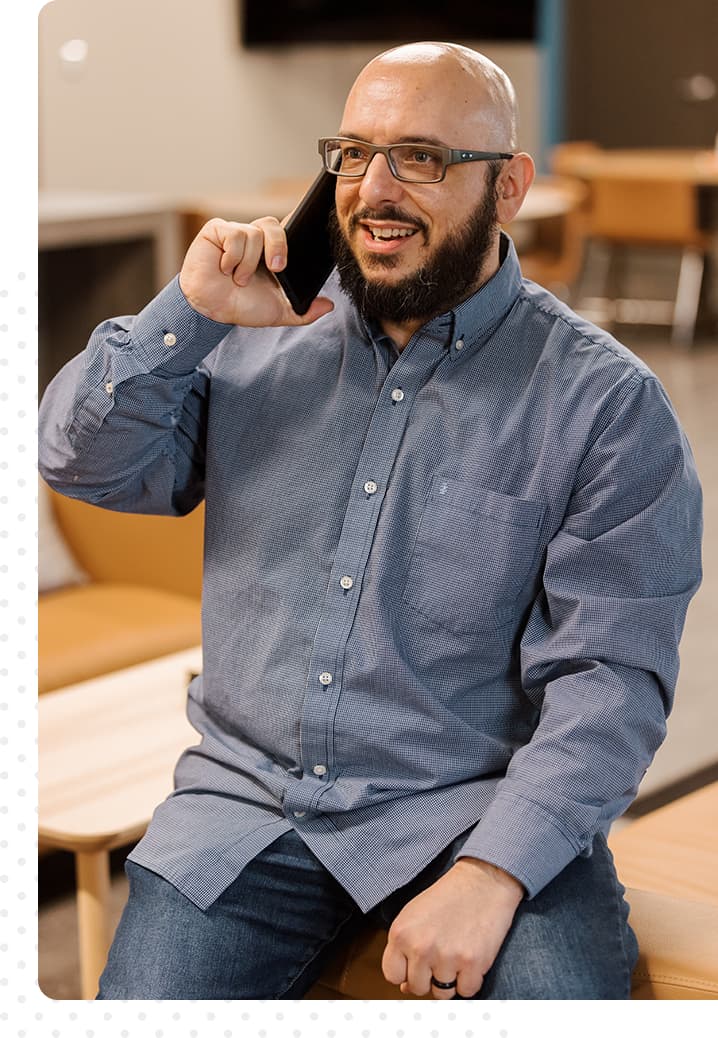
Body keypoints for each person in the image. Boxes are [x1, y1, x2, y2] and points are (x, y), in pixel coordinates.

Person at [38, 42, 702, 1000]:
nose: (375, 188)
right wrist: (187, 312)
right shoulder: (254, 338)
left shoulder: (605, 406)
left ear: (508, 187)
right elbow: (77, 459)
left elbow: (612, 682)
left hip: (468, 813)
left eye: (421, 158)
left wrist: (493, 872)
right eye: (354, 154)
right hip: (248, 808)